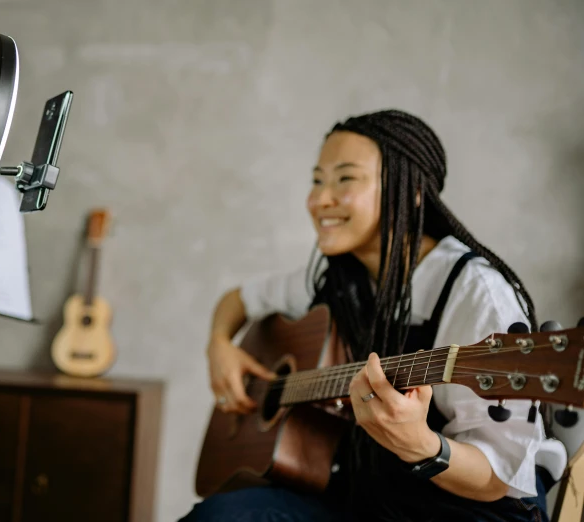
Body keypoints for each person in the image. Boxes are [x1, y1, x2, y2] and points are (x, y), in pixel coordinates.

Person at [180, 109, 567, 522]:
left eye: (345, 179)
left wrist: (422, 445)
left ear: (410, 190)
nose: (318, 200)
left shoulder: (475, 292)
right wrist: (219, 346)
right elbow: (237, 300)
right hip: (366, 495)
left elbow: (498, 478)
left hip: (467, 510)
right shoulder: (335, 278)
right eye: (317, 180)